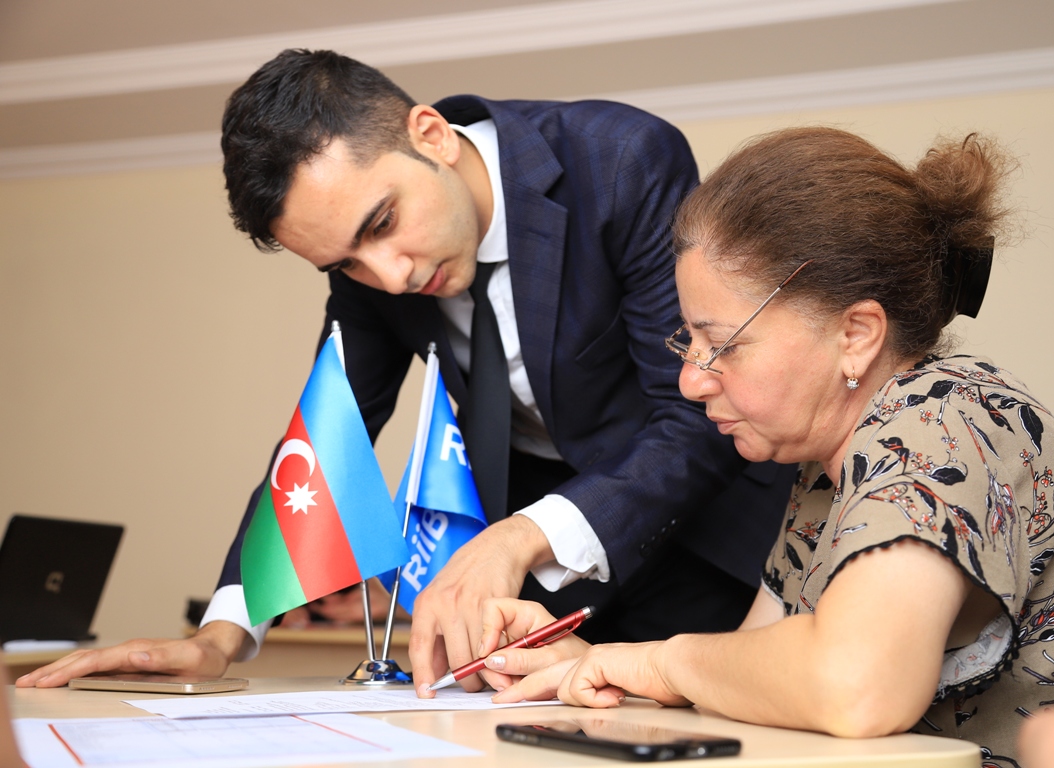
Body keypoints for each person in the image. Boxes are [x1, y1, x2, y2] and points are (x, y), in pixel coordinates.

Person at [16, 50, 790, 694]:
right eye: (346, 263)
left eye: (383, 223)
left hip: (703, 543)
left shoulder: (619, 159)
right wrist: (221, 635)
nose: (390, 276)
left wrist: (521, 537)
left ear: (432, 134)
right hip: (541, 592)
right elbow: (325, 442)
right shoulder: (370, 275)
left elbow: (695, 411)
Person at [474, 127, 1054, 766]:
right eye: (689, 342)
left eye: (722, 344)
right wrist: (594, 666)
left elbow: (855, 684)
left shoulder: (943, 420)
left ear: (856, 334)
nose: (689, 380)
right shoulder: (826, 471)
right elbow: (751, 674)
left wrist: (652, 662)